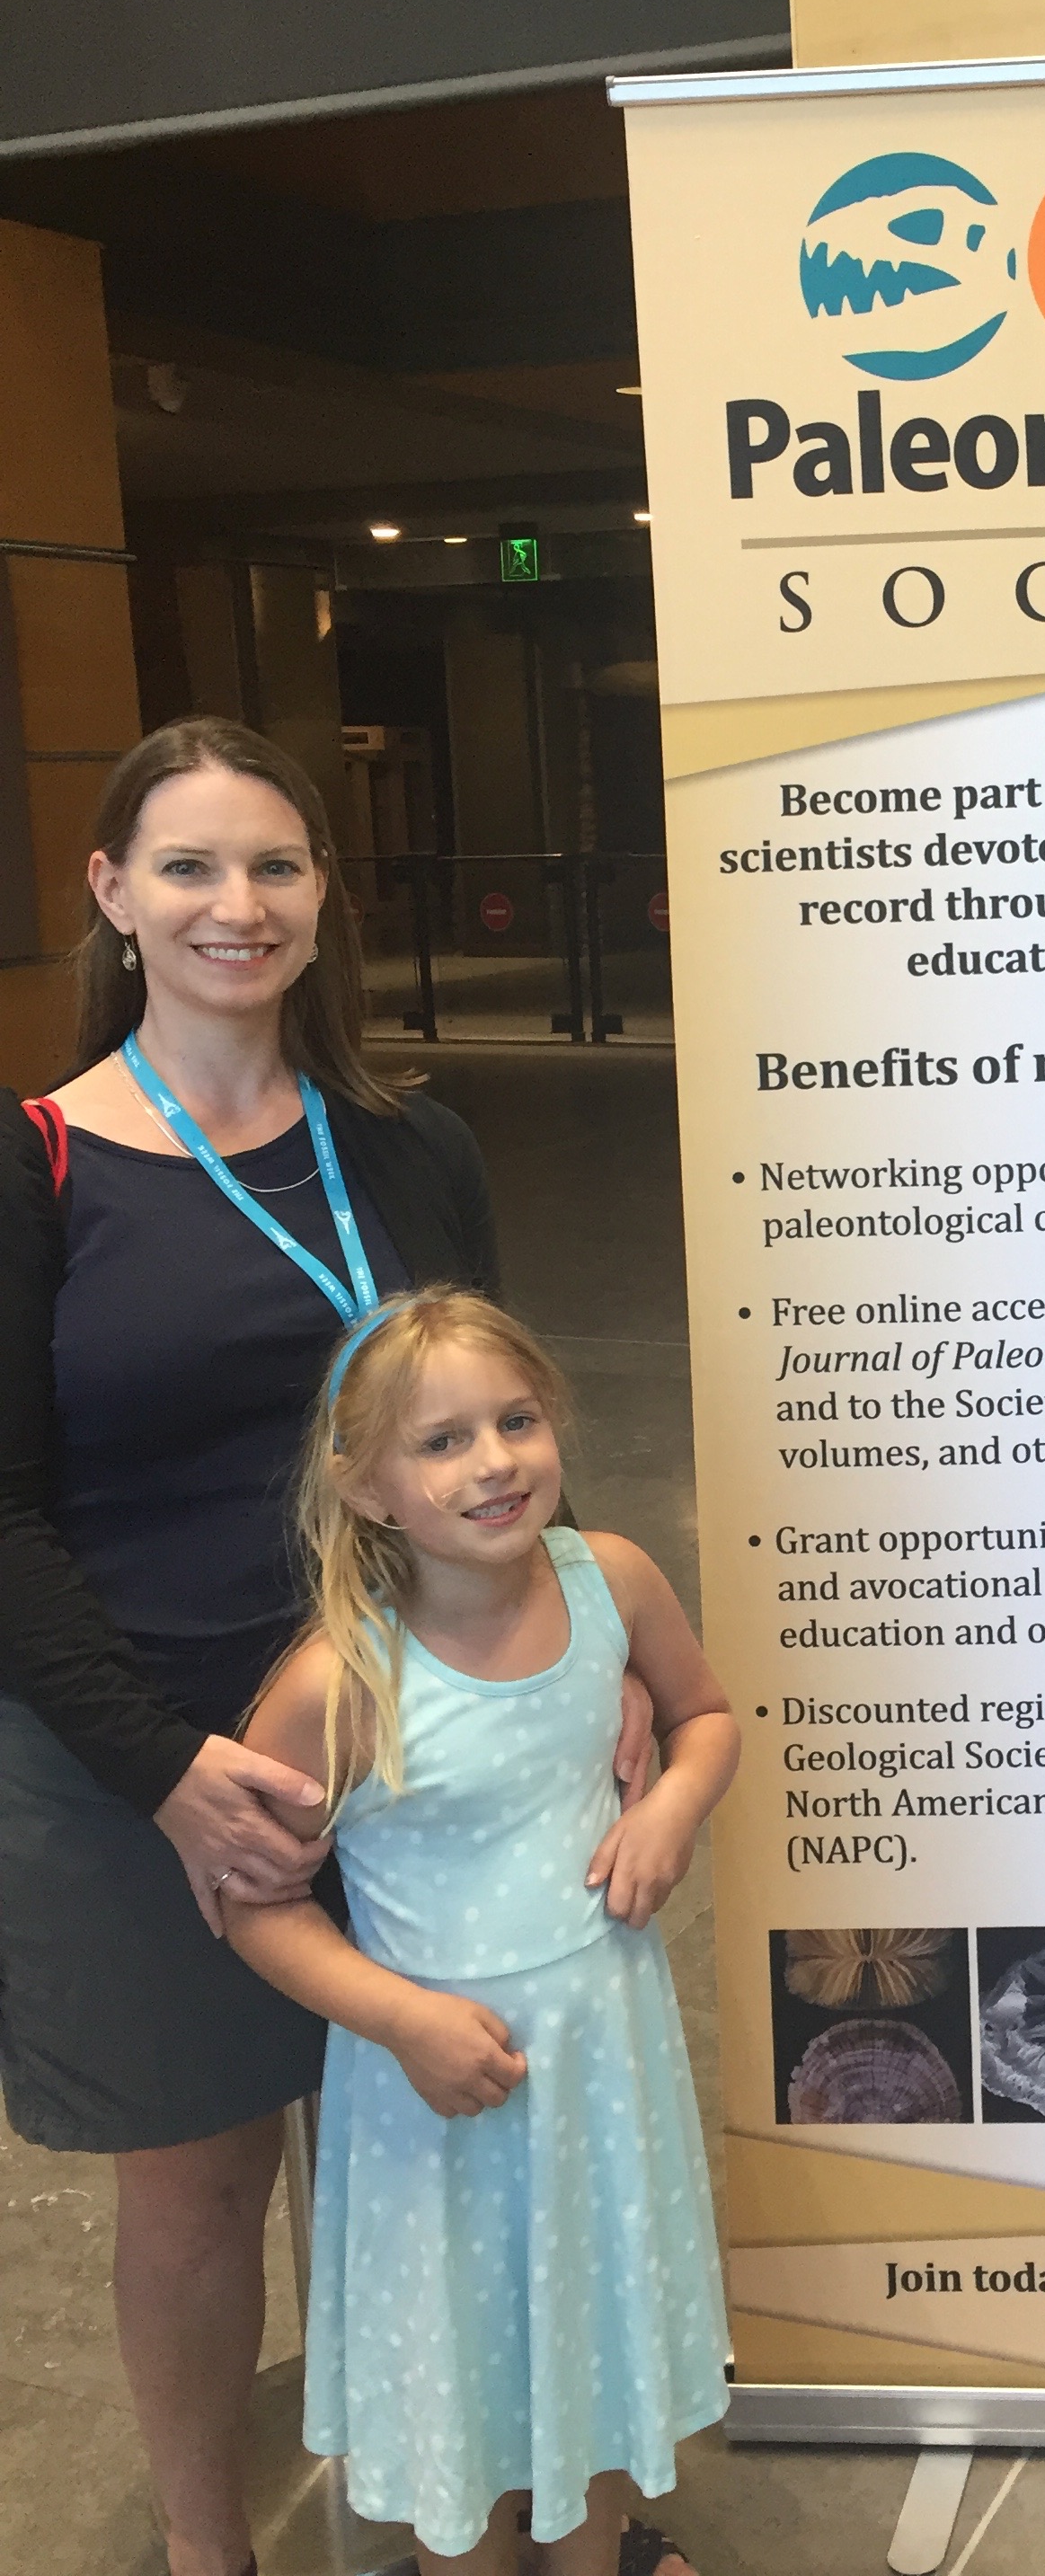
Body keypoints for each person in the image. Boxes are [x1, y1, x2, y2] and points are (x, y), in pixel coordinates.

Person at [0, 717, 500, 2576]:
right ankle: (212, 2554)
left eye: (277, 863)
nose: (239, 903)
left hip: (418, 1739)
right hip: (141, 1758)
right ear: (113, 894)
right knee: (203, 2186)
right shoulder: (39, 1168)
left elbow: (502, 1437)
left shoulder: (413, 1147)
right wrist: (165, 1772)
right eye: (191, 866)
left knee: (424, 2149)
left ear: (322, 893)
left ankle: (463, 2512)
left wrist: (582, 1662)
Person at [226, 1288, 735, 2576]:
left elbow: (706, 1716)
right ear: (367, 1486)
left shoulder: (612, 1581)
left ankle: (594, 2552)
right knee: (457, 2375)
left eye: (516, 1421)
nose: (494, 1463)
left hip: (602, 2070)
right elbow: (249, 1898)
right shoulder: (340, 1681)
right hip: (437, 2101)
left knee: (595, 2346)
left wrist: (672, 1806)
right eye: (442, 1441)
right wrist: (398, 2018)